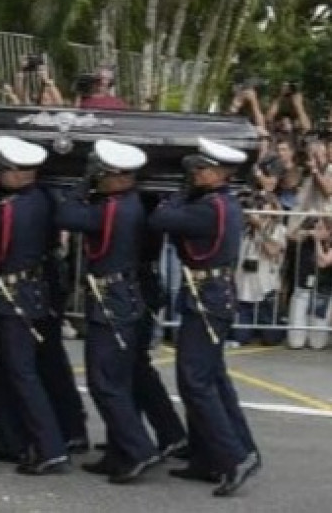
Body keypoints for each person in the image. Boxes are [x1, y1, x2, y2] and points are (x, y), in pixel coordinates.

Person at [151, 138, 260, 497]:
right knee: (212, 379)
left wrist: (179, 193)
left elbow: (159, 219)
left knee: (195, 381)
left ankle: (231, 458)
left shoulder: (208, 208)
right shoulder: (221, 202)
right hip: (212, 296)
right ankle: (214, 455)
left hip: (207, 299)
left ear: (218, 173)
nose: (194, 174)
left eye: (199, 169)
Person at [0, 136, 69, 475]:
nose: (0, 176)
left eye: (5, 171)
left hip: (15, 298)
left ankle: (48, 446)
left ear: (23, 174)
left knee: (20, 373)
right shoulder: (43, 199)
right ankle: (32, 439)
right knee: (28, 371)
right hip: (35, 292)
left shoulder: (5, 212)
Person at [57, 139, 160, 484]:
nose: (97, 180)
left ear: (117, 177)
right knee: (119, 379)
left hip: (112, 299)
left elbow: (66, 214)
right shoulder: (128, 202)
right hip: (122, 294)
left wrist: (82, 184)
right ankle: (119, 452)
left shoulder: (113, 209)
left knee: (106, 382)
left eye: (101, 175)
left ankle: (138, 449)